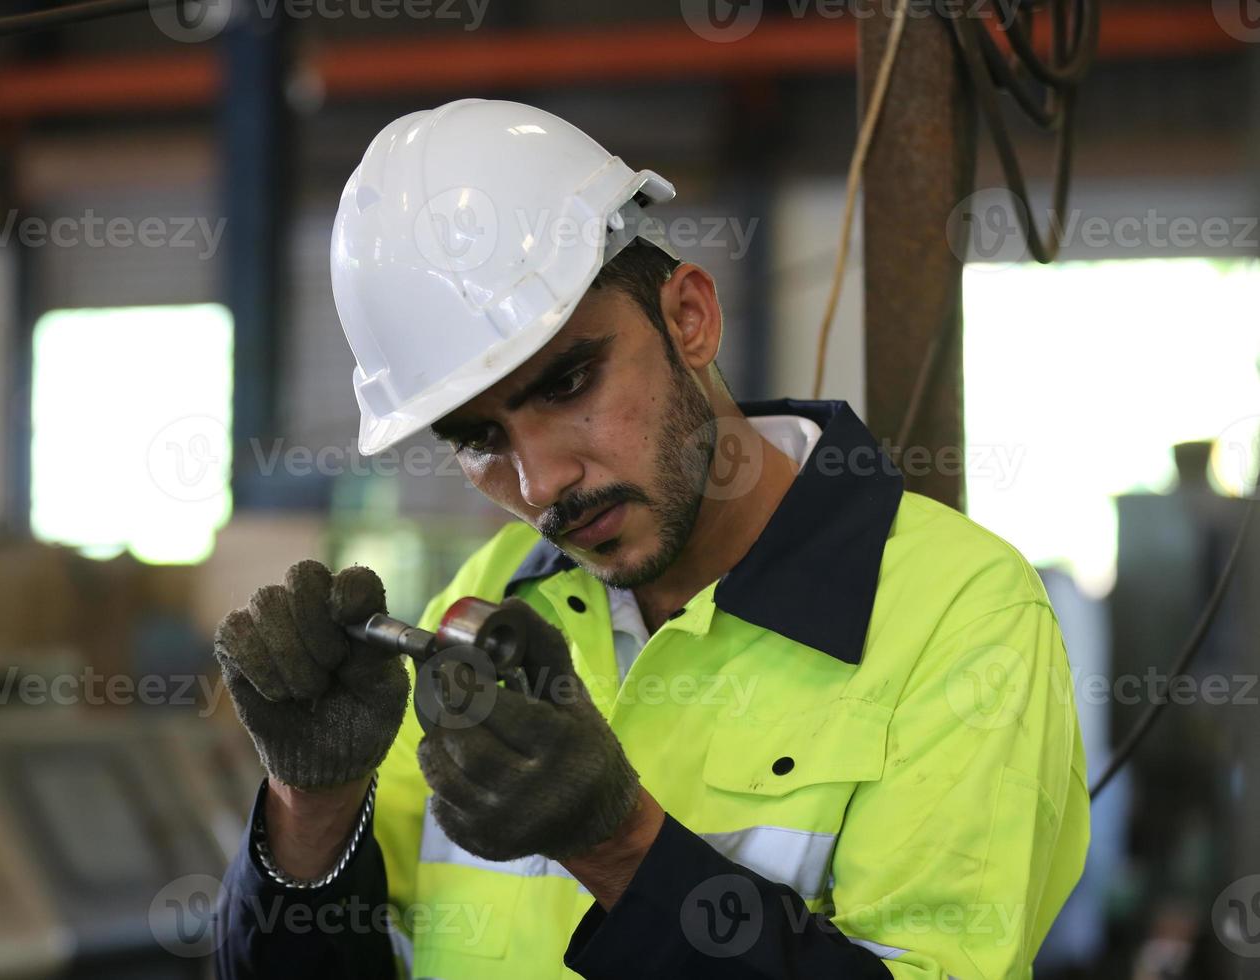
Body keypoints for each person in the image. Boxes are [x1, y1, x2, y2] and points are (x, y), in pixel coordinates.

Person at [210, 99, 1090, 979]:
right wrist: (313, 809)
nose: (541, 483)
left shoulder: (959, 619)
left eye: (569, 383)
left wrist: (620, 847)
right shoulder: (499, 593)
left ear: (691, 317)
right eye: (480, 440)